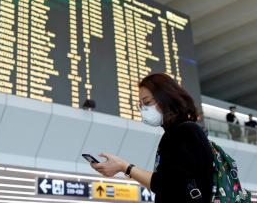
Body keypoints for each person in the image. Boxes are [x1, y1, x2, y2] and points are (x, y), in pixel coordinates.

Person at [91, 73, 213, 202]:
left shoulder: (184, 132)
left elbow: (165, 185)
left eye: (147, 102)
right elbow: (168, 182)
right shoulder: (179, 132)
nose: (143, 110)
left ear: (166, 98)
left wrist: (124, 167)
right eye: (141, 105)